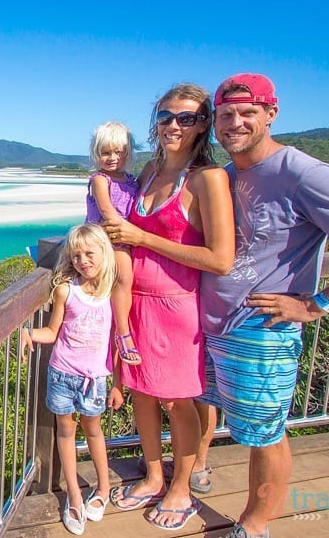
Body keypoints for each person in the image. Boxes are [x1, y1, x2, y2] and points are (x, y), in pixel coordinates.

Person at [199, 73, 329, 538]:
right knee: (204, 405)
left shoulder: (304, 173)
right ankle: (197, 472)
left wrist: (317, 303)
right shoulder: (225, 175)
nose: (235, 123)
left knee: (265, 435)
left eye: (247, 113)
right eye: (226, 115)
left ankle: (255, 523)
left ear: (271, 113)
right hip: (208, 324)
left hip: (259, 330)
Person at [102, 82, 235, 531]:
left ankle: (182, 487)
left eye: (188, 118)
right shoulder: (148, 171)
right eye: (165, 116)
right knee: (141, 390)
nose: (174, 125)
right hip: (134, 302)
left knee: (179, 401)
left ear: (204, 127)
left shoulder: (207, 179)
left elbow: (220, 258)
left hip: (177, 307)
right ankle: (154, 474)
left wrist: (143, 238)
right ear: (155, 122)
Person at [21, 223, 125, 535]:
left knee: (94, 431)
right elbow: (53, 332)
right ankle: (75, 497)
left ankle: (103, 490)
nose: (82, 261)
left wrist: (119, 383)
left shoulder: (112, 293)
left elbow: (118, 340)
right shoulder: (67, 290)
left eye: (89, 254)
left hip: (94, 379)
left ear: (103, 254)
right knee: (65, 432)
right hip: (62, 375)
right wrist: (27, 334)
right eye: (76, 255)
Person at [85, 121, 141, 365]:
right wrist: (135, 234)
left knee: (127, 281)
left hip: (124, 235)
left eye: (118, 152)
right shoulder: (100, 179)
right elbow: (109, 213)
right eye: (105, 152)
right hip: (106, 237)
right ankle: (123, 332)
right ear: (96, 153)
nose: (111, 158)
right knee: (124, 277)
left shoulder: (130, 179)